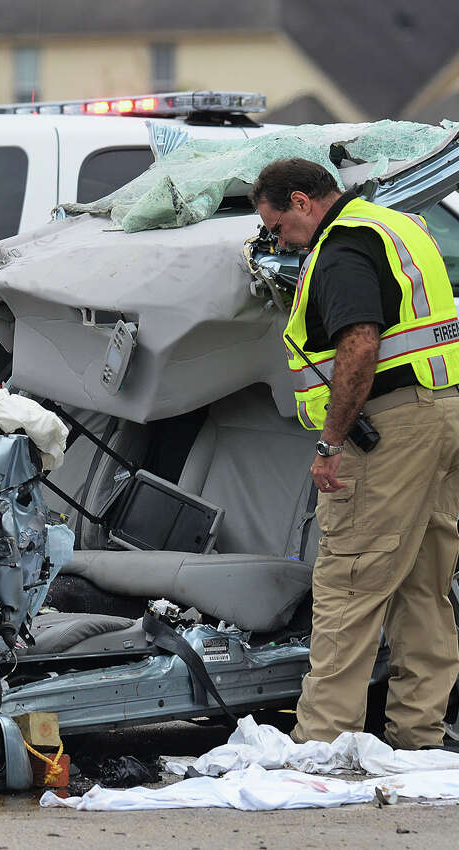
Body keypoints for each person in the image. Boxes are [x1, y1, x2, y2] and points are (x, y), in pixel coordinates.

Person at [250, 157, 459, 750]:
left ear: (301, 202)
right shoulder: (396, 225)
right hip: (442, 414)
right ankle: (418, 739)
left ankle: (323, 743)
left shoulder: (340, 250)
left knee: (349, 582)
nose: (276, 239)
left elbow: (360, 344)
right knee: (424, 586)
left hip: (390, 430)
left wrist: (331, 442)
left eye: (276, 225)